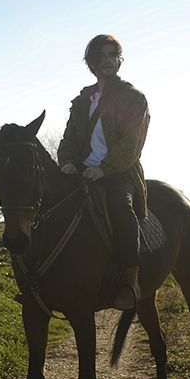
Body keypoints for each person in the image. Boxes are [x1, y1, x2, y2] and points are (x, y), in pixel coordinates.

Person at [57, 34, 150, 310]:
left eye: (113, 55)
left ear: (119, 61)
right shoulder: (82, 101)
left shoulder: (134, 98)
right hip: (83, 171)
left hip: (120, 173)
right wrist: (68, 162)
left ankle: (129, 280)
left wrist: (104, 169)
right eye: (101, 56)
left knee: (121, 207)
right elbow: (69, 139)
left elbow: (132, 144)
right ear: (92, 63)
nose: (107, 61)